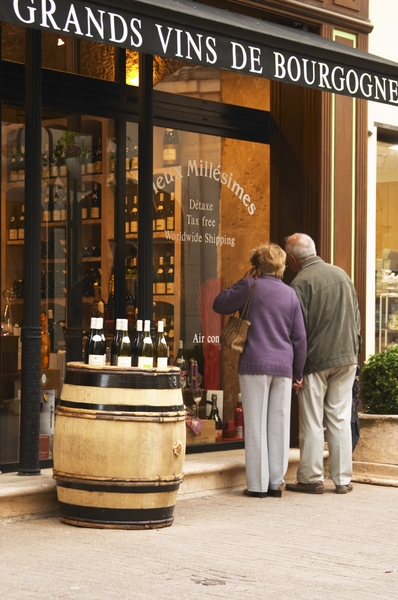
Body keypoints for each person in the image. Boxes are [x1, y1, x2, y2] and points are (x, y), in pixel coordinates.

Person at [213, 243, 307, 498]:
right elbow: (299, 338)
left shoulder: (249, 286)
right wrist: (297, 372)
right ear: (281, 266)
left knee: (255, 425)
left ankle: (256, 485)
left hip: (254, 363)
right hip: (284, 367)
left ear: (256, 266)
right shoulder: (291, 294)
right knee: (279, 424)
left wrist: (241, 281)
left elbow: (219, 304)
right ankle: (276, 482)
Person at [284, 233, 361, 495]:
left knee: (312, 421)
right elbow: (356, 317)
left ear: (293, 259)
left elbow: (298, 332)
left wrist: (297, 369)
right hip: (347, 357)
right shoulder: (342, 274)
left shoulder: (299, 283)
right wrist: (355, 351)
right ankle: (342, 480)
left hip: (315, 361)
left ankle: (311, 478)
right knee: (340, 419)